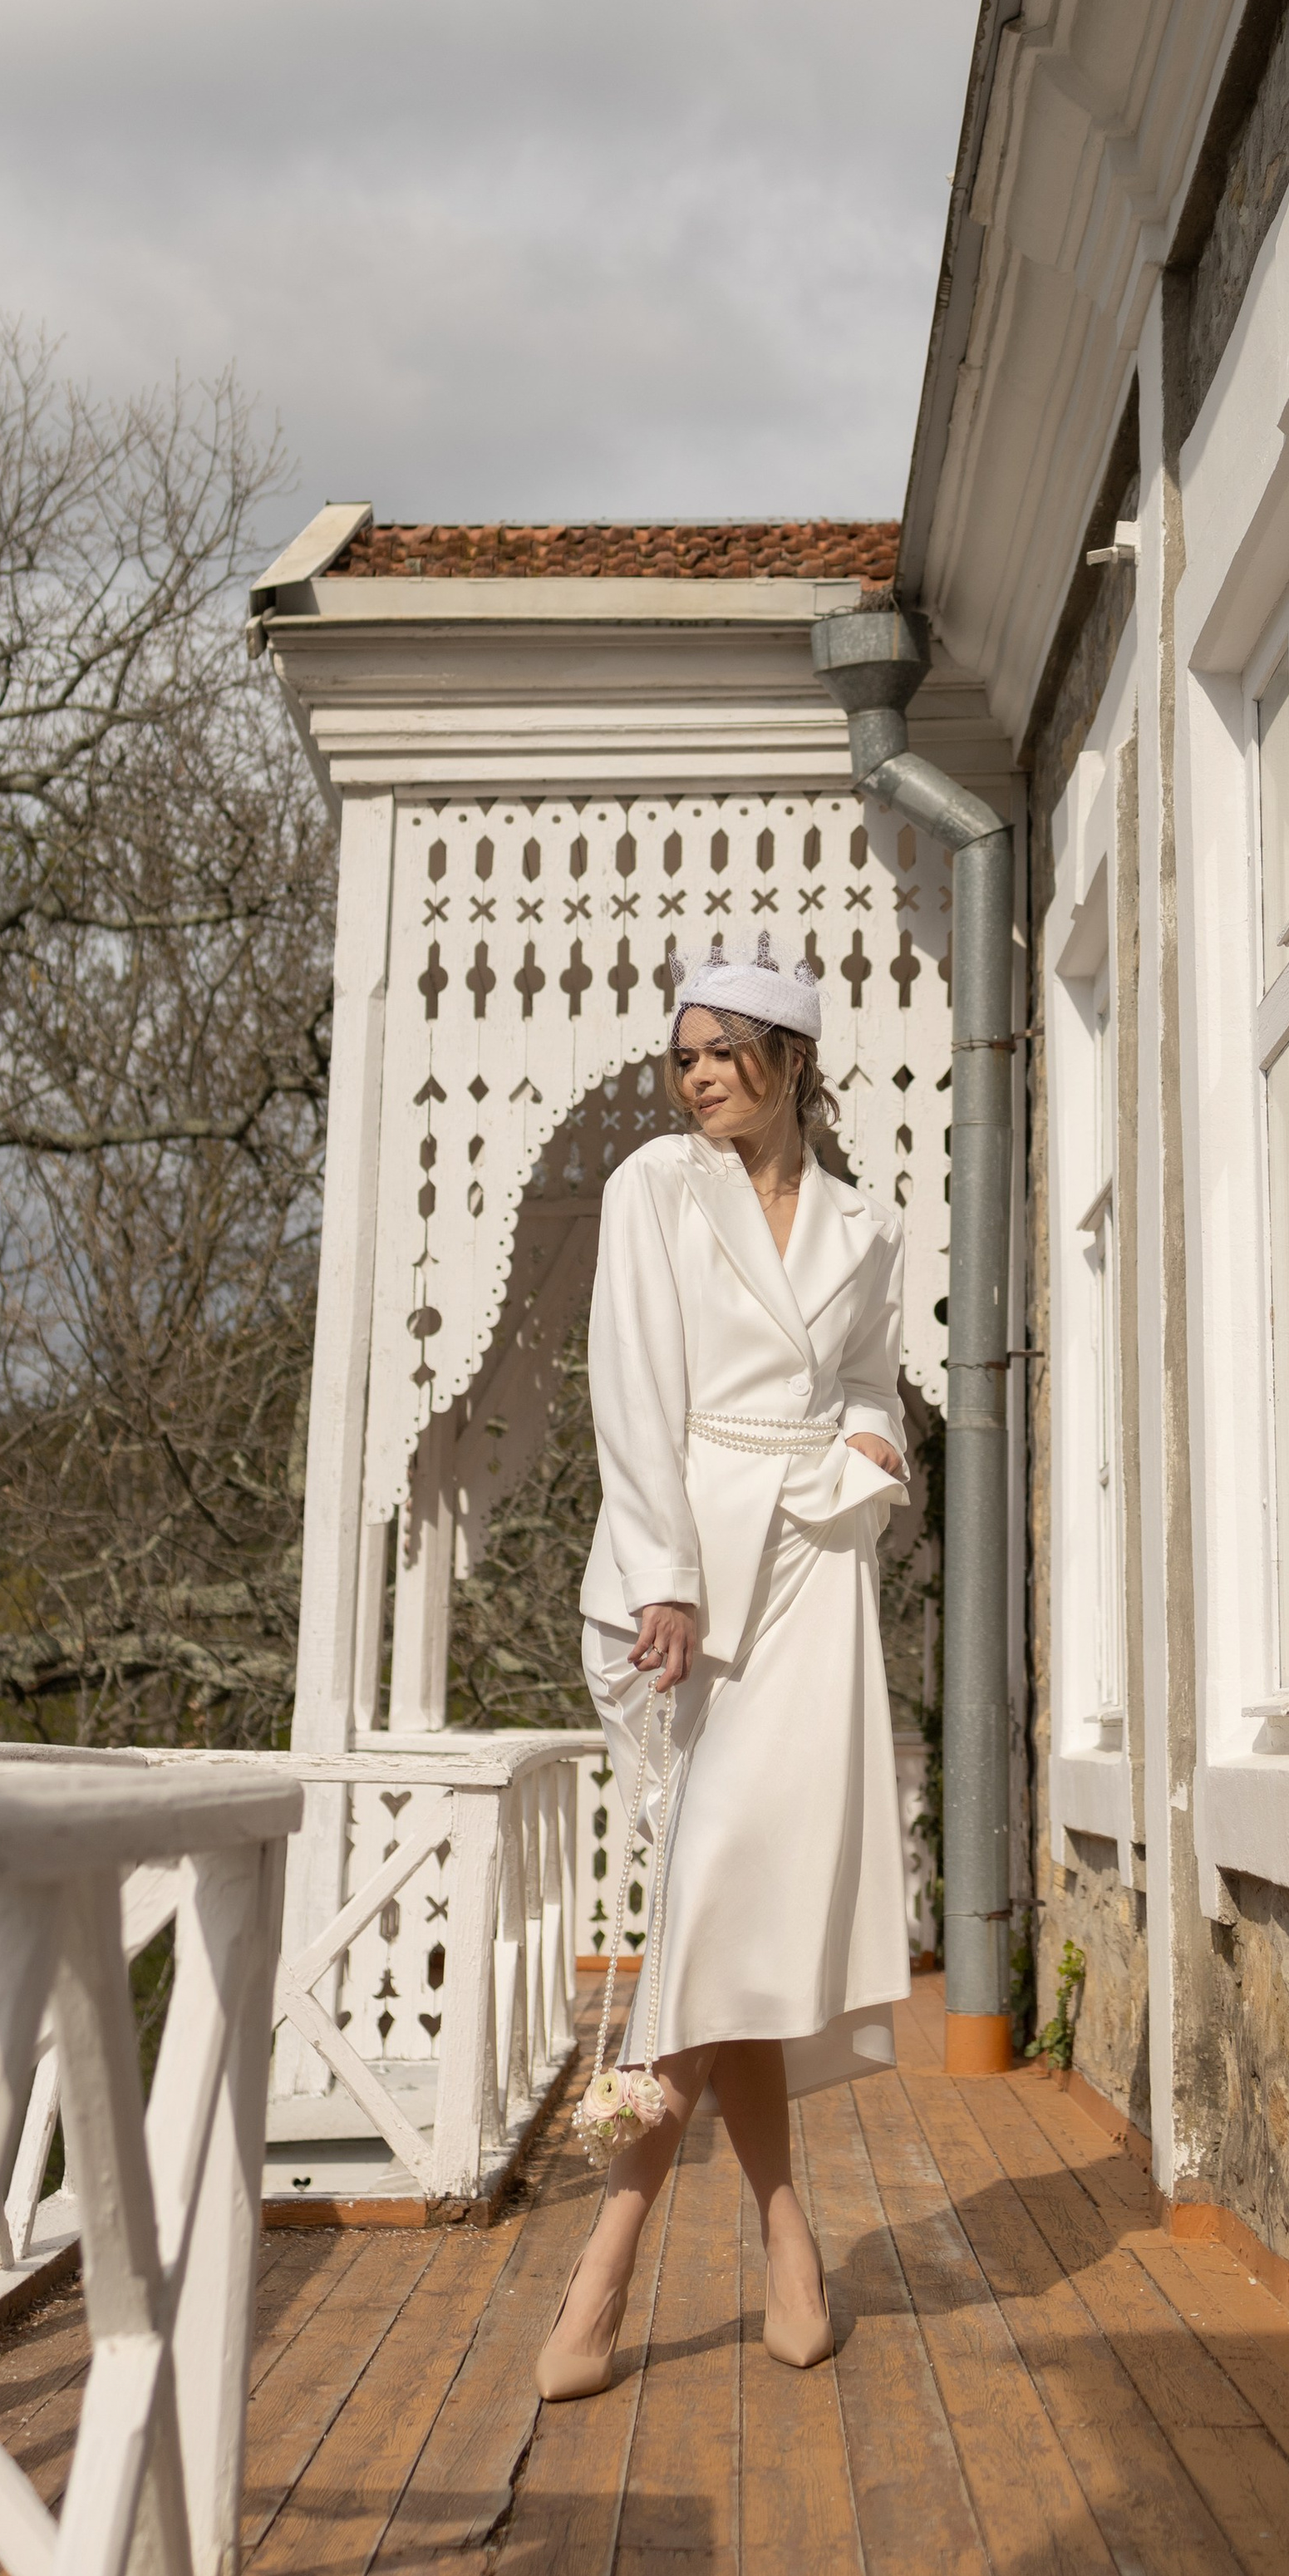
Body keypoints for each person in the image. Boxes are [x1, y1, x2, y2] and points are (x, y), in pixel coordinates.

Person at [535, 930, 912, 2402]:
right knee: (709, 1922)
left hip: (817, 1573)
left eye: (720, 1052)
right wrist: (672, 1583)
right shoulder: (655, 1192)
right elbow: (631, 1392)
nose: (694, 1076)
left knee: (728, 1929)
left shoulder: (869, 1227)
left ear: (790, 1061)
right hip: (681, 1574)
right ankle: (718, 2260)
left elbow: (873, 1378)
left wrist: (875, 1446)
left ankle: (674, 2269)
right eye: (681, 1054)